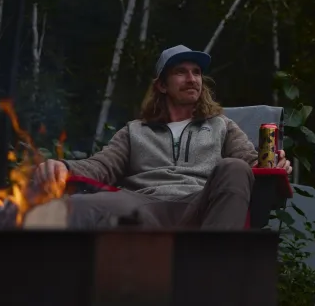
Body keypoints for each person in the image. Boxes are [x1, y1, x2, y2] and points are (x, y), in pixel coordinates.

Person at [23, 44, 292, 230]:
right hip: (142, 205)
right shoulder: (135, 130)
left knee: (235, 168)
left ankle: (213, 272)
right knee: (72, 207)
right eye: (180, 72)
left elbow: (251, 163)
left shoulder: (221, 125)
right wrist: (64, 166)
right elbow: (101, 166)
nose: (192, 79)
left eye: (196, 72)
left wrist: (276, 162)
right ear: (162, 85)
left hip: (199, 206)